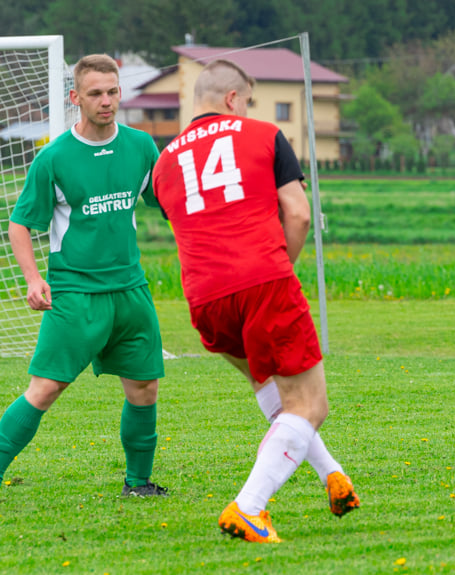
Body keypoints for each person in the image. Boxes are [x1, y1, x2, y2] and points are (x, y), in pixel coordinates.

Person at [152, 59, 358, 543]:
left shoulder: (162, 163)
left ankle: (332, 474)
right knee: (309, 404)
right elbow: (299, 215)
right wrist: (279, 269)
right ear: (231, 99)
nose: (247, 110)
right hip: (261, 279)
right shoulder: (263, 135)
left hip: (204, 296)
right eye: (247, 101)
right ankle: (249, 507)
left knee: (269, 384)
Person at [0, 54, 167, 496]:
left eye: (113, 91)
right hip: (75, 295)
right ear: (76, 97)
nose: (106, 101)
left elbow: (162, 200)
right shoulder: (54, 157)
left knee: (144, 388)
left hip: (130, 289)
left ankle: (138, 483)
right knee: (46, 389)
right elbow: (20, 224)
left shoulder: (142, 146)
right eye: (96, 93)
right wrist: (34, 280)